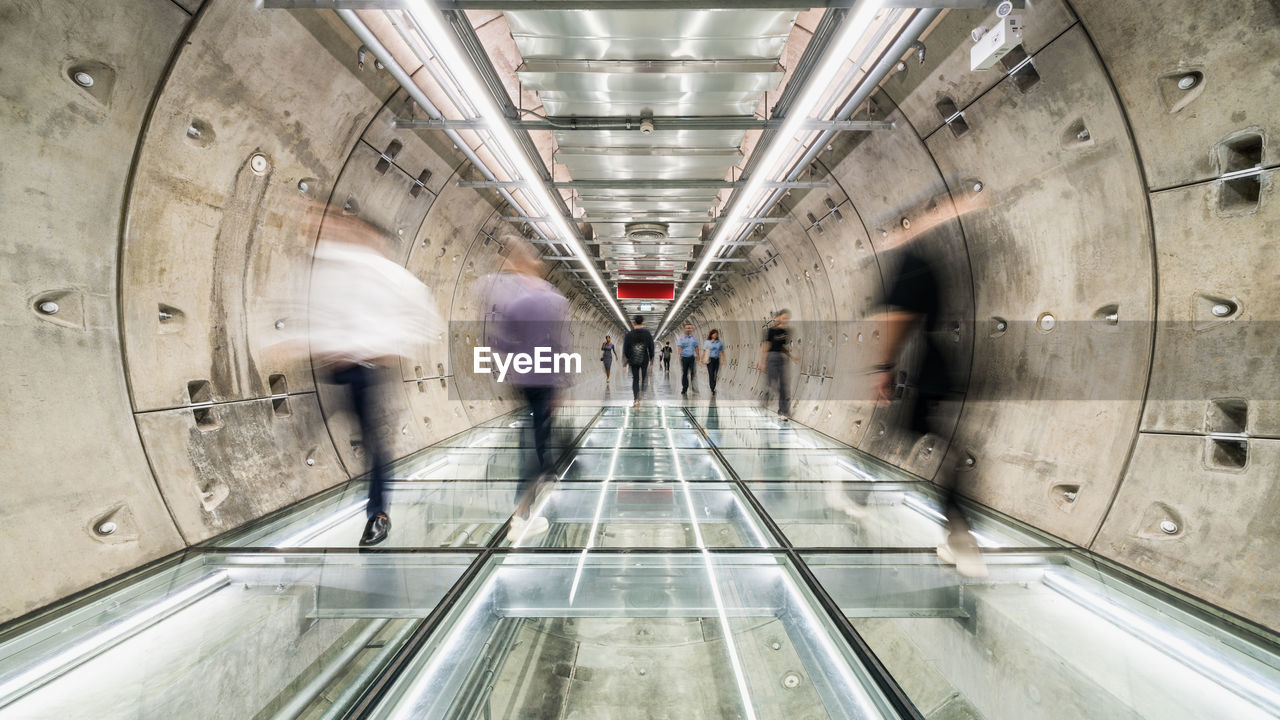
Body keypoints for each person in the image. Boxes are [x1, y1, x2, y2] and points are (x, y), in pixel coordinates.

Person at [308, 211, 442, 547]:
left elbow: (424, 315)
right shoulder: (332, 268)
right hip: (339, 369)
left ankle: (378, 514)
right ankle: (374, 508)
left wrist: (392, 347)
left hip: (370, 369)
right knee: (368, 439)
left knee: (374, 441)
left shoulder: (389, 276)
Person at [486, 236, 570, 542]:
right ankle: (522, 514)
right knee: (536, 439)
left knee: (534, 435)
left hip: (523, 379)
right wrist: (562, 382)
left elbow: (499, 342)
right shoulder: (554, 299)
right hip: (545, 380)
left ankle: (543, 477)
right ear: (537, 266)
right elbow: (560, 344)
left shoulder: (511, 300)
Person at [758, 310, 796, 420]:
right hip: (771, 357)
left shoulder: (786, 332)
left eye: (787, 318)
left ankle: (784, 411)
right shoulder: (771, 331)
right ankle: (766, 396)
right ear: (778, 317)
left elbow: (782, 347)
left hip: (781, 358)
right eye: (783, 317)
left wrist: (791, 356)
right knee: (773, 383)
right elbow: (767, 346)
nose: (785, 320)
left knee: (784, 385)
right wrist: (764, 362)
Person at [622, 315, 654, 407]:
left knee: (635, 379)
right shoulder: (647, 334)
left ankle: (636, 399)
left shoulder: (629, 334)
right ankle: (642, 391)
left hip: (633, 359)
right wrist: (651, 359)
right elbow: (651, 347)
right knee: (644, 377)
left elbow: (625, 348)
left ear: (634, 323)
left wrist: (628, 359)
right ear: (642, 323)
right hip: (644, 358)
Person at [677, 323, 700, 395]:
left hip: (692, 358)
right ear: (684, 329)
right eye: (687, 328)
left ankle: (694, 387)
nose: (688, 329)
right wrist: (679, 354)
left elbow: (696, 347)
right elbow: (679, 347)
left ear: (692, 329)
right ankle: (685, 388)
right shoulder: (681, 338)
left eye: (690, 328)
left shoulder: (694, 338)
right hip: (684, 358)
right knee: (685, 373)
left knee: (693, 373)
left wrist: (698, 355)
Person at [701, 329, 725, 395]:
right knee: (711, 374)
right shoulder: (707, 342)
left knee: (715, 374)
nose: (715, 335)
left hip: (717, 359)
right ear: (711, 335)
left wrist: (723, 359)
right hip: (710, 360)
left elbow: (722, 351)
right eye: (714, 334)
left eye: (716, 334)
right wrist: (702, 360)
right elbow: (704, 351)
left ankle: (713, 385)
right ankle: (712, 388)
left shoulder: (719, 342)